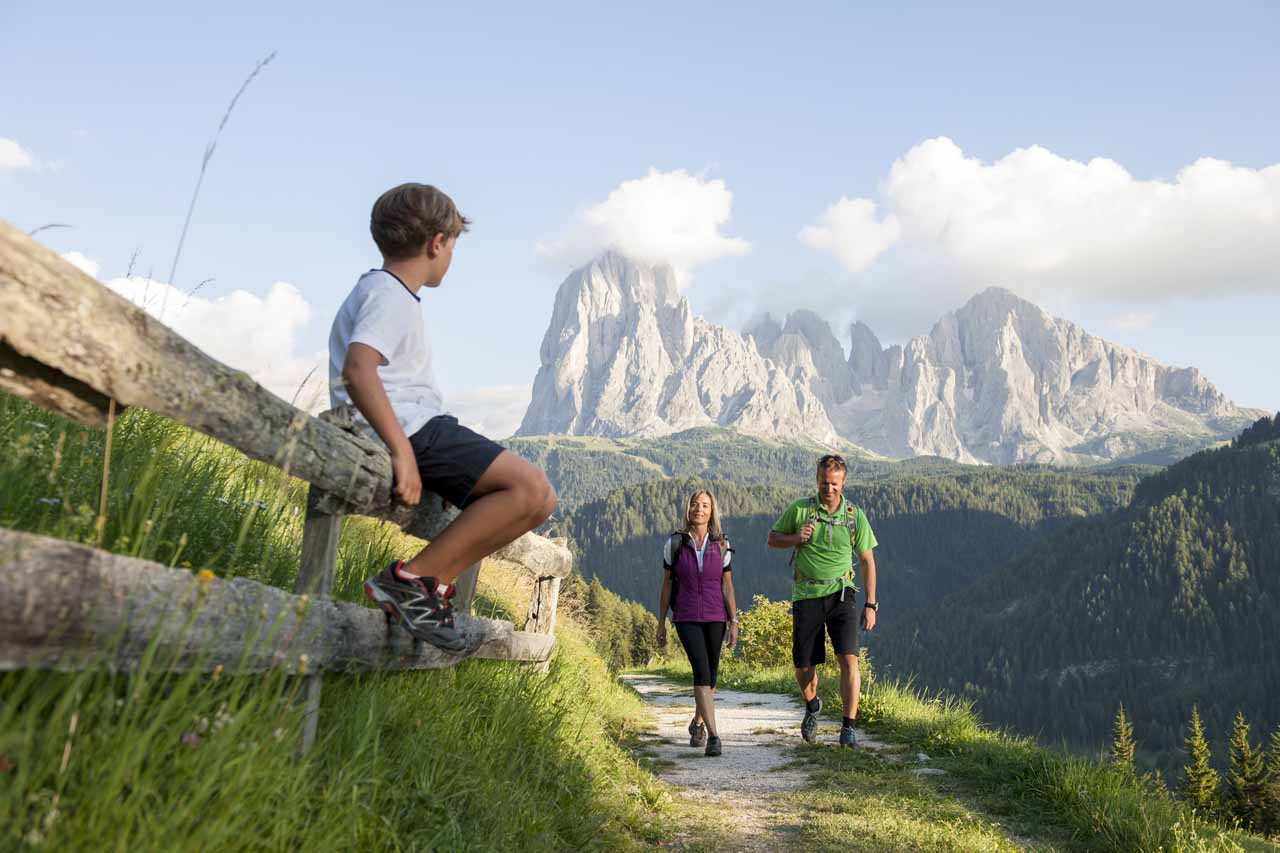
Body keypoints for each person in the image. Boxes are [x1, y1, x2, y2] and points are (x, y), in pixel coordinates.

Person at [329, 182, 557, 651]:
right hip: (413, 429)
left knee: (534, 498)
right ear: (437, 243)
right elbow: (358, 368)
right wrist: (401, 452)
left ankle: (427, 586)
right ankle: (413, 580)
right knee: (533, 489)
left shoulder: (383, 291)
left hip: (417, 427)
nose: (451, 255)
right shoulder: (387, 294)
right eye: (453, 244)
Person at [766, 454, 878, 748]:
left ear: (843, 483)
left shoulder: (854, 515)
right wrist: (795, 538)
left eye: (834, 484)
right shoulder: (801, 509)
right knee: (803, 665)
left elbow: (867, 560)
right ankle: (813, 703)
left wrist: (871, 604)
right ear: (817, 480)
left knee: (849, 659)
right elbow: (772, 538)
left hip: (842, 594)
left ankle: (848, 727)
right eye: (823, 483)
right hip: (807, 594)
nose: (828, 488)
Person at [656, 489, 739, 757]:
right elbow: (667, 586)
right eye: (695, 504)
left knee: (711, 677)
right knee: (701, 671)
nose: (699, 509)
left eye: (705, 505)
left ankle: (699, 722)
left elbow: (727, 586)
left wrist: (734, 619)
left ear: (712, 511)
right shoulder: (676, 544)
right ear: (688, 509)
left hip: (716, 617)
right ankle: (715, 736)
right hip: (687, 616)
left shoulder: (722, 544)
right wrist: (661, 623)